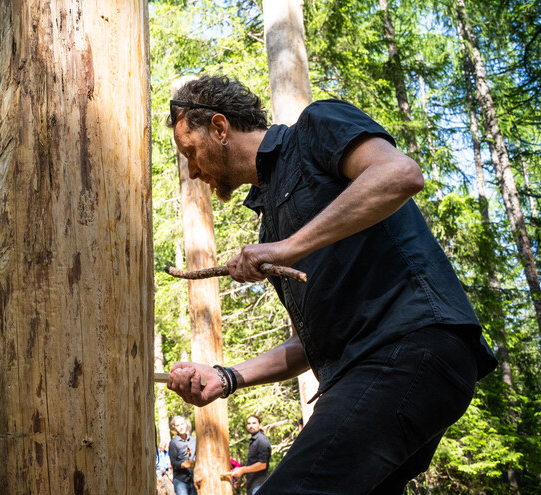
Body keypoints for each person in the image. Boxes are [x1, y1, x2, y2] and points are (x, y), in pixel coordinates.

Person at [165, 75, 497, 494]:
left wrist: (287, 248)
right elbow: (307, 346)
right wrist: (226, 376)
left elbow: (399, 174)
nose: (193, 171)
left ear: (219, 127)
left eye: (191, 154)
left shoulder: (314, 127)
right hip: (363, 371)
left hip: (410, 348)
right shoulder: (272, 225)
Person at [227, 415, 270, 494]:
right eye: (249, 423)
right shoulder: (254, 440)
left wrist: (242, 470)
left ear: (260, 425)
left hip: (259, 485)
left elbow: (262, 464)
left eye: (254, 423)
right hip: (252, 485)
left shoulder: (262, 440)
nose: (251, 426)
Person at [168, 416, 197, 495]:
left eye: (182, 424)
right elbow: (174, 464)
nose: (181, 427)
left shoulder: (193, 440)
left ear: (185, 425)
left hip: (192, 479)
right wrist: (185, 464)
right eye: (177, 425)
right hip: (180, 481)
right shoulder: (173, 443)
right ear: (174, 428)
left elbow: (198, 457)